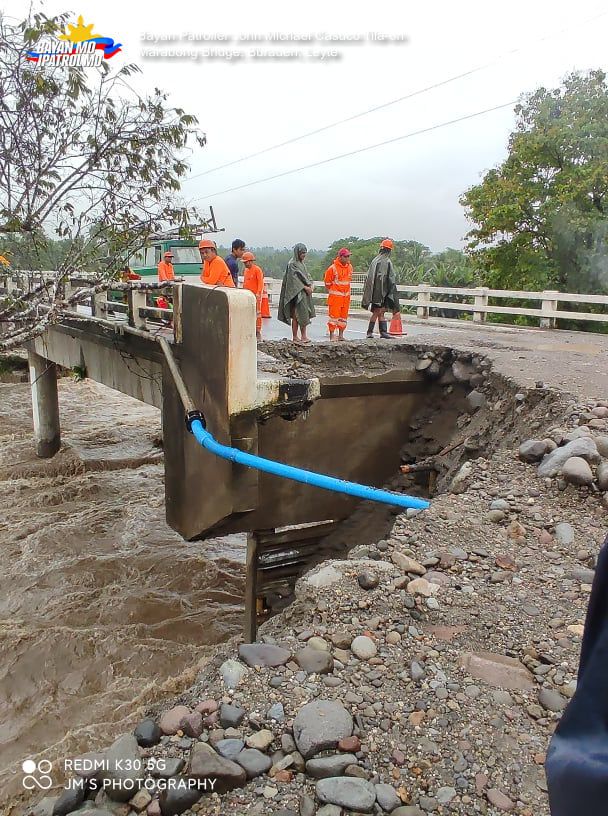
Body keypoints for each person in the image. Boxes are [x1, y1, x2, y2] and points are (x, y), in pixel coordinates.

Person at [362, 238, 400, 339]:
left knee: (380, 312)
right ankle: (372, 332)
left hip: (374, 292)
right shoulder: (386, 261)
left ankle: (381, 332)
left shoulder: (375, 260)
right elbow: (389, 279)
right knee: (378, 312)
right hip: (381, 293)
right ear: (389, 250)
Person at [278, 243, 315, 344]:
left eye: (305, 253)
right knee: (296, 315)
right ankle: (295, 336)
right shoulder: (292, 264)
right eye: (302, 253)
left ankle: (303, 335)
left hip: (304, 293)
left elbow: (307, 276)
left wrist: (311, 286)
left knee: (304, 314)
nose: (304, 255)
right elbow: (293, 280)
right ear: (297, 253)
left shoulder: (302, 264)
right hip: (296, 293)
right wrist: (305, 287)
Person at [324, 247, 353, 341]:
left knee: (343, 318)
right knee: (333, 318)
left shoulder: (350, 267)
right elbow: (327, 283)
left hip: (345, 298)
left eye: (348, 256)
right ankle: (332, 335)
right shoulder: (332, 268)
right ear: (340, 257)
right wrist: (336, 291)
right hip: (335, 298)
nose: (348, 258)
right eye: (346, 256)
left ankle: (341, 335)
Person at [242, 251, 265, 340]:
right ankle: (249, 328)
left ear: (250, 261)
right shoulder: (246, 271)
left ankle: (258, 330)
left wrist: (258, 293)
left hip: (255, 296)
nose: (245, 264)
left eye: (246, 262)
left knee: (257, 313)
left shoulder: (257, 270)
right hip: (247, 295)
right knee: (248, 312)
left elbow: (260, 282)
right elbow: (245, 283)